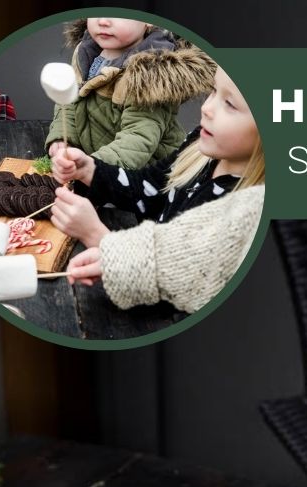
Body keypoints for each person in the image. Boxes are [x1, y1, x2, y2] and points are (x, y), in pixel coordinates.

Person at [50, 67, 264, 315]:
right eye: (213, 91)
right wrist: (90, 170)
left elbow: (178, 293)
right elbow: (146, 190)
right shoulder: (199, 148)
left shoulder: (242, 209)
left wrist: (97, 237)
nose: (206, 108)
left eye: (230, 104)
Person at [45, 18, 214, 169]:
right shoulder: (86, 52)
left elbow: (137, 139)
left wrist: (94, 168)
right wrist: (62, 138)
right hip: (102, 167)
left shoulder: (149, 74)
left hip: (146, 180)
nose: (103, 20)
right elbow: (69, 102)